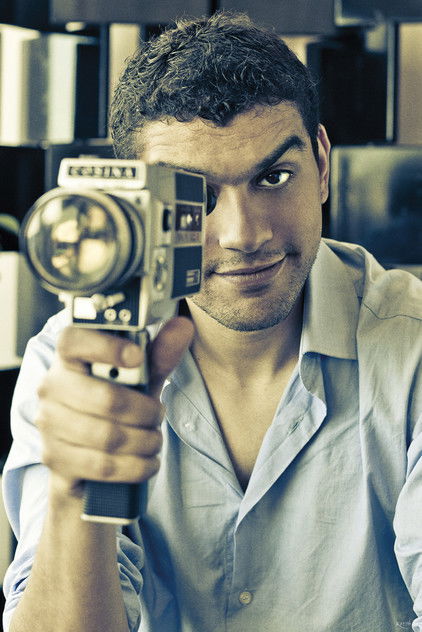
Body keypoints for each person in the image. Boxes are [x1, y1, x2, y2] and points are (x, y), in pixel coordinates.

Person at [2, 11, 422, 632]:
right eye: (194, 197)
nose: (243, 235)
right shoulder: (73, 361)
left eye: (274, 177)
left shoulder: (413, 347)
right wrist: (75, 494)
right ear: (139, 202)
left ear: (322, 164)